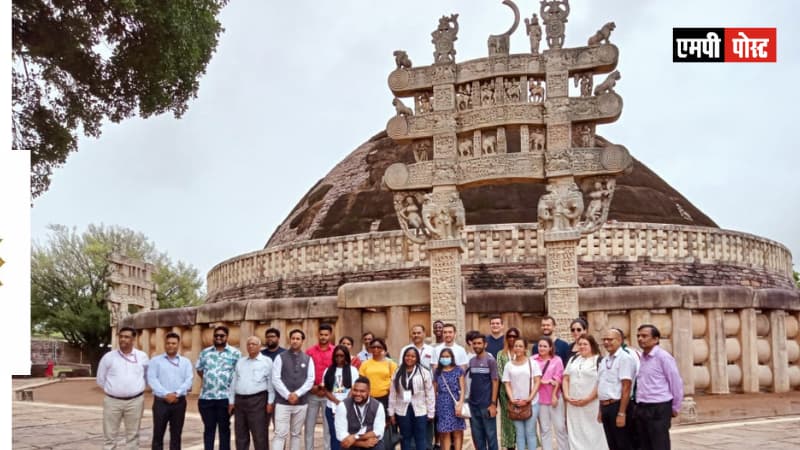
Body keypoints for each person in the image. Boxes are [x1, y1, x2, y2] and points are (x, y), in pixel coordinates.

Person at [97, 326, 149, 450]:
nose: (123, 339)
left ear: (133, 339)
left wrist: (135, 389)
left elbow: (147, 376)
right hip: (112, 402)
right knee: (109, 436)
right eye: (121, 336)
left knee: (133, 436)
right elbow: (100, 379)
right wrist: (115, 390)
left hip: (135, 402)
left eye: (127, 337)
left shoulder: (142, 357)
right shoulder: (109, 357)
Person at [634, 325, 684, 450]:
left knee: (659, 444)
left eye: (644, 336)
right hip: (642, 406)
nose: (640, 339)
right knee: (644, 445)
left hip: (659, 407)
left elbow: (675, 382)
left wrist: (675, 406)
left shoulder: (663, 357)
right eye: (638, 336)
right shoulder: (642, 358)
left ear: (656, 339)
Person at [196, 325, 241, 450]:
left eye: (222, 335)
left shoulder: (235, 354)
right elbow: (200, 370)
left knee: (224, 429)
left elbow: (238, 374)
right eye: (216, 335)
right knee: (209, 429)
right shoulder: (205, 353)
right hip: (206, 398)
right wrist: (210, 381)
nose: (219, 338)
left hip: (225, 398)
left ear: (227, 337)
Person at [148, 331, 193, 450]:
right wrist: (166, 394)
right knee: (158, 434)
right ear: (165, 344)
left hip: (179, 402)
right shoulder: (155, 361)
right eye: (168, 343)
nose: (171, 345)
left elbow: (189, 380)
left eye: (173, 343)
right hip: (161, 402)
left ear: (178, 344)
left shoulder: (185, 362)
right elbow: (152, 379)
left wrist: (176, 393)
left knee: (176, 435)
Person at [228, 336, 275, 450]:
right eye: (249, 344)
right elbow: (234, 382)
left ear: (260, 346)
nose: (251, 346)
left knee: (259, 434)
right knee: (240, 434)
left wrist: (270, 402)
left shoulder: (266, 362)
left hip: (258, 400)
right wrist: (231, 401)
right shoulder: (241, 362)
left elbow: (271, 383)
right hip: (240, 402)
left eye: (254, 344)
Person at [272, 329, 315, 450]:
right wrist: (287, 395)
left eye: (298, 339)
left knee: (296, 434)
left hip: (301, 403)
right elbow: (275, 379)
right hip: (282, 403)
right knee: (280, 434)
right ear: (289, 340)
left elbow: (310, 380)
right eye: (293, 338)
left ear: (302, 341)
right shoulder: (280, 357)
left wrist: (297, 394)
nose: (295, 341)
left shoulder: (308, 359)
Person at [563, 334, 607, 450]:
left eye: (585, 344)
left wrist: (588, 399)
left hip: (592, 405)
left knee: (594, 433)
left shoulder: (599, 360)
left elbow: (601, 382)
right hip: (573, 405)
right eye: (580, 344)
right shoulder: (573, 359)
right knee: (576, 432)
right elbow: (566, 378)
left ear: (592, 345)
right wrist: (567, 396)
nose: (582, 346)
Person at [388, 347, 435, 450]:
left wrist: (431, 411)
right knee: (405, 437)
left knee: (421, 437)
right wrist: (391, 412)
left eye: (413, 356)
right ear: (404, 357)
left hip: (420, 409)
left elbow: (430, 393)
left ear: (417, 358)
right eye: (407, 356)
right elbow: (393, 393)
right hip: (402, 410)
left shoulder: (424, 372)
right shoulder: (398, 372)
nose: (410, 358)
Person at [598, 329, 637, 450]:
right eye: (604, 339)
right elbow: (602, 385)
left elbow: (626, 386)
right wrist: (601, 410)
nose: (606, 342)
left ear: (620, 340)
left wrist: (621, 413)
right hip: (606, 407)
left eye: (610, 339)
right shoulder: (605, 360)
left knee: (623, 443)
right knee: (612, 443)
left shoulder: (625, 358)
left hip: (618, 405)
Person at [502, 338, 541, 450]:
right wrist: (512, 398)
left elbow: (537, 381)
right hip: (515, 404)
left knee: (530, 432)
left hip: (531, 403)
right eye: (516, 346)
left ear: (525, 348)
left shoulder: (532, 363)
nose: (517, 348)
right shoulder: (509, 365)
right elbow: (507, 383)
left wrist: (529, 398)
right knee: (519, 433)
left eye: (520, 346)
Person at [532, 337, 567, 450]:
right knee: (544, 429)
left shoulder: (557, 360)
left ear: (550, 348)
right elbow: (531, 378)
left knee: (560, 428)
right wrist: (543, 381)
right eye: (540, 346)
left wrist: (554, 395)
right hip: (540, 399)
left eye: (545, 346)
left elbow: (558, 378)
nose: (541, 348)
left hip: (554, 398)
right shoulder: (533, 360)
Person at [324, 345, 361, 450]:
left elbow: (354, 388)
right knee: (334, 433)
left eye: (342, 356)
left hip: (348, 407)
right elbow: (326, 390)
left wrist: (343, 403)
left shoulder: (352, 370)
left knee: (347, 433)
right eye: (336, 356)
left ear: (346, 356)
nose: (339, 358)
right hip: (331, 407)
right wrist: (337, 402)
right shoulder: (328, 370)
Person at [334, 377, 387, 450]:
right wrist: (363, 444)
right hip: (351, 444)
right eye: (355, 390)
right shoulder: (343, 406)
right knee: (345, 445)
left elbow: (378, 432)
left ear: (369, 391)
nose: (358, 394)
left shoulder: (378, 406)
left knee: (379, 446)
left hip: (370, 442)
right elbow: (341, 435)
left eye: (362, 391)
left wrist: (356, 437)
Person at [466, 335, 498, 450]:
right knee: (477, 437)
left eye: (479, 343)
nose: (476, 346)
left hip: (487, 405)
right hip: (473, 405)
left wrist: (493, 403)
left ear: (485, 344)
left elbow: (495, 382)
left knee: (491, 436)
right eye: (474, 343)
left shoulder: (490, 360)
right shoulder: (471, 361)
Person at [307, 323, 335, 450]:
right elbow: (305, 372)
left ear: (330, 335)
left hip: (328, 394)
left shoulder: (335, 351)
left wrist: (326, 389)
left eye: (326, 335)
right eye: (321, 334)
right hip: (312, 393)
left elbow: (336, 371)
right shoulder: (310, 352)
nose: (323, 337)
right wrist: (312, 387)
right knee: (309, 425)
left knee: (328, 426)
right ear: (317, 335)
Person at [433, 348, 466, 450]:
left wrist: (460, 403)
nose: (445, 358)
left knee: (457, 431)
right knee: (444, 432)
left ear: (452, 358)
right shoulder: (437, 372)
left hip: (455, 403)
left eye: (447, 356)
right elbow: (434, 390)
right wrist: (434, 405)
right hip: (442, 403)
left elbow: (463, 388)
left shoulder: (458, 370)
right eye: (443, 357)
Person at [496, 327, 521, 450]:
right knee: (507, 419)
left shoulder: (523, 353)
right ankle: (510, 445)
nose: (512, 338)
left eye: (514, 336)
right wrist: (510, 388)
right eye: (509, 336)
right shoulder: (501, 354)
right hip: (505, 393)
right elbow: (500, 373)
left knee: (522, 418)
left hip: (522, 392)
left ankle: (521, 444)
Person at [359, 338, 398, 409]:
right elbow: (361, 381)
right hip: (368, 397)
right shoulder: (365, 364)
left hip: (385, 397)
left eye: (379, 347)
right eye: (373, 347)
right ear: (370, 349)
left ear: (383, 349)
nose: (376, 349)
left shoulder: (391, 364)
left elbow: (395, 382)